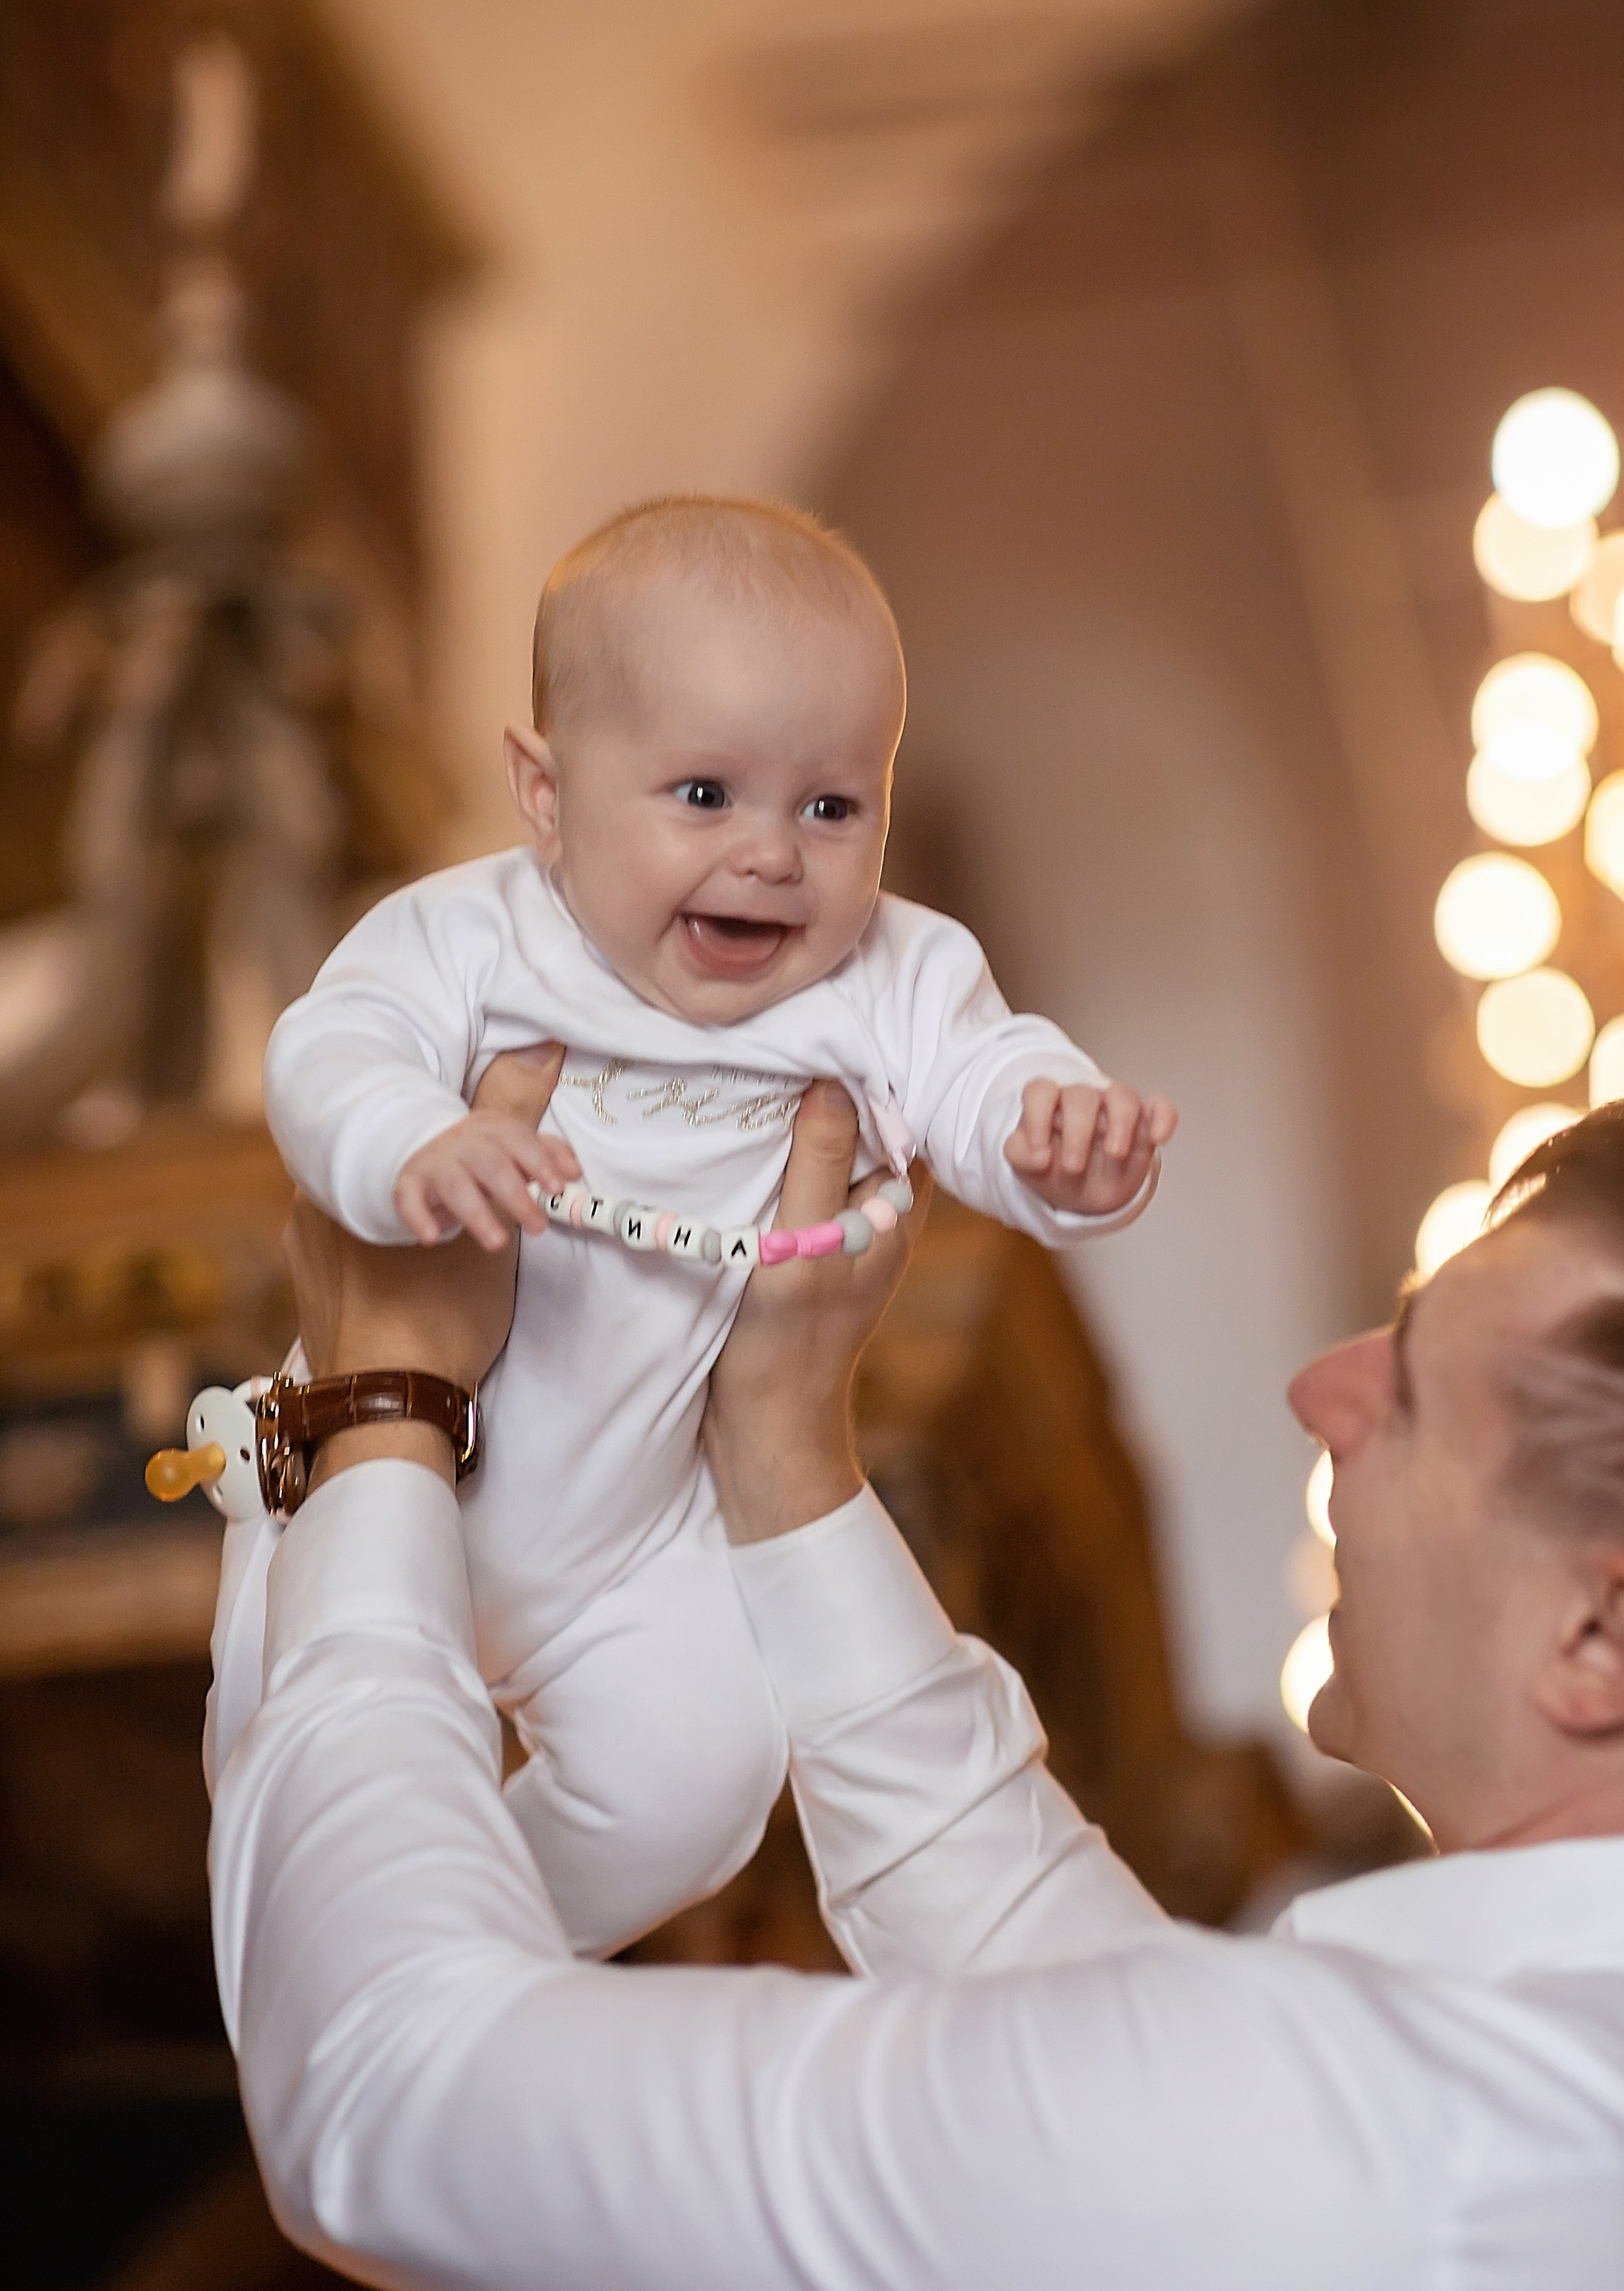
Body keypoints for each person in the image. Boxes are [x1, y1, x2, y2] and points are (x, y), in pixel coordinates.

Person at [210, 1070, 1624, 2291]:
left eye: (1420, 1391)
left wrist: (375, 1406)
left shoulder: (1378, 2175)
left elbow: (389, 2084)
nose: (1323, 1387)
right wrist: (787, 1459)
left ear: (1601, 1642)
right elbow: (1111, 2045)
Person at [222, 494, 1174, 1955]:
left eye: (832, 806)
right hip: (361, 1450)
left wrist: (1061, 1141)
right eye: (705, 795)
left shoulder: (890, 971)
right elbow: (328, 1051)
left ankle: (474, 1961)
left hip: (639, 1536)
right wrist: (414, 1140)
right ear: (546, 794)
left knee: (709, 1772)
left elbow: (986, 1074)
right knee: (292, 1731)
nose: (774, 857)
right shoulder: (475, 936)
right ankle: (312, 1945)